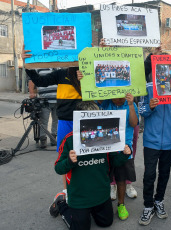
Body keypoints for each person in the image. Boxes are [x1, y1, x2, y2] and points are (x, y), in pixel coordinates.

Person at [51, 101, 132, 230]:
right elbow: (58, 168)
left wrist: (125, 154)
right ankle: (61, 203)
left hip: (101, 194)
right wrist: (69, 162)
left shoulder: (106, 136)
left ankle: (91, 212)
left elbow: (114, 162)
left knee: (106, 223)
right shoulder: (69, 140)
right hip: (79, 198)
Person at [22, 45, 82, 207]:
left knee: (86, 158)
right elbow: (40, 81)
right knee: (65, 157)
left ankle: (84, 189)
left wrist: (88, 76)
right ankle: (67, 191)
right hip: (66, 122)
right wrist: (26, 62)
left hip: (86, 121)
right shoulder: (61, 73)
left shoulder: (90, 71)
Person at [138, 78, 171, 226]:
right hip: (151, 141)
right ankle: (148, 205)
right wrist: (149, 107)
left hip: (169, 142)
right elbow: (141, 111)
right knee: (149, 174)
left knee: (164, 173)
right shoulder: (147, 88)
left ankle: (159, 201)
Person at [99, 93, 139, 221]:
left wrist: (131, 104)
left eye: (122, 97)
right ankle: (103, 201)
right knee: (104, 176)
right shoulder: (106, 103)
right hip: (106, 146)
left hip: (124, 147)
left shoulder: (130, 104)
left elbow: (134, 123)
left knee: (122, 178)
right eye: (115, 97)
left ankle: (121, 205)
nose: (119, 100)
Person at [28, 70, 58, 148]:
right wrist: (31, 93)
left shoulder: (57, 66)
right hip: (44, 100)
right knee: (43, 121)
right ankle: (43, 139)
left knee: (56, 120)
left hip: (58, 100)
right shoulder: (39, 67)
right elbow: (32, 80)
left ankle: (53, 138)